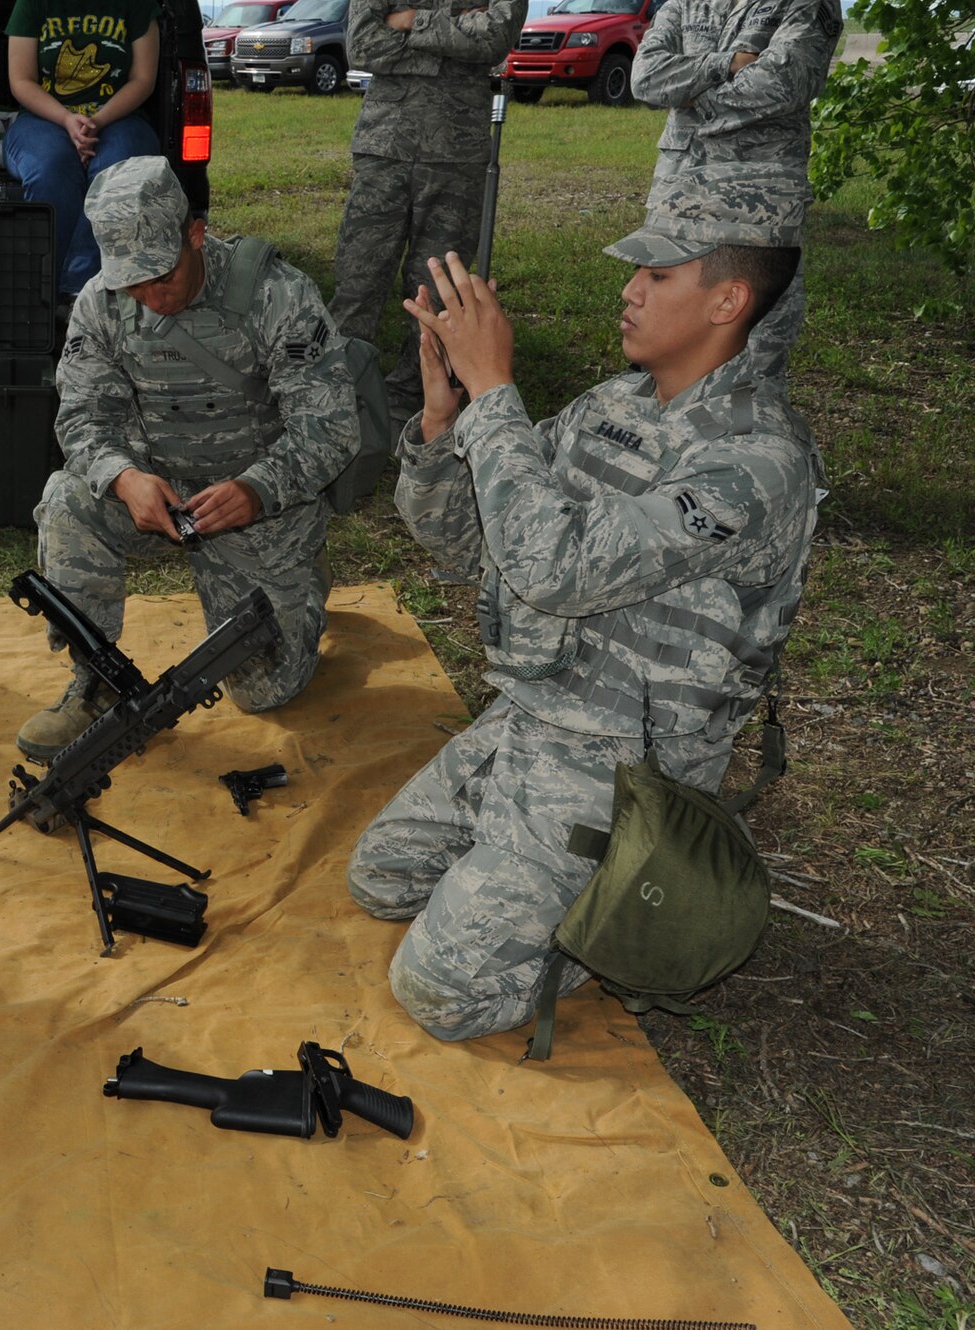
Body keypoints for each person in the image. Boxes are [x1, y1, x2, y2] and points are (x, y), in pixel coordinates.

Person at [346, 168, 824, 1042]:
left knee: (438, 992)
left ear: (728, 302)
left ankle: (611, 934)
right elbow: (470, 551)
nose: (628, 292)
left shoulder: (756, 463)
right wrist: (444, 423)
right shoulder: (611, 408)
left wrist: (496, 396)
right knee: (379, 879)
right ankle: (518, 878)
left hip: (627, 771)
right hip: (531, 719)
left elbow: (555, 570)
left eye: (658, 276)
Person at [20, 156, 361, 762]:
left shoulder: (276, 296)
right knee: (67, 499)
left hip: (259, 504)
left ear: (195, 234)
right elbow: (82, 418)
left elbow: (329, 429)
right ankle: (96, 679)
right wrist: (124, 479)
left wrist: (257, 490)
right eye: (133, 283)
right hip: (162, 494)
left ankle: (303, 585)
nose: (150, 297)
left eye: (162, 276)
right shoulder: (101, 304)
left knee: (264, 692)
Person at [328, 0, 526, 435]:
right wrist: (454, 34)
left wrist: (411, 21)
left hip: (458, 152)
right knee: (358, 279)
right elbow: (362, 44)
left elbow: (494, 38)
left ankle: (411, 406)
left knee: (434, 291)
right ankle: (338, 399)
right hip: (385, 146)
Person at [633, 0, 845, 380]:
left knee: (755, 349)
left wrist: (688, 95)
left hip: (756, 207)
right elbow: (645, 78)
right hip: (677, 197)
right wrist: (725, 64)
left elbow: (782, 83)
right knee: (657, 333)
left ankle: (745, 435)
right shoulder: (686, 2)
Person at [3, 0, 162, 301]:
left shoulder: (139, 6)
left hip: (119, 117)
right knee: (50, 168)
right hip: (43, 117)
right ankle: (45, 293)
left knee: (114, 172)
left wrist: (96, 122)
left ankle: (76, 294)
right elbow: (21, 80)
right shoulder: (30, 5)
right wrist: (66, 120)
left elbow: (143, 80)